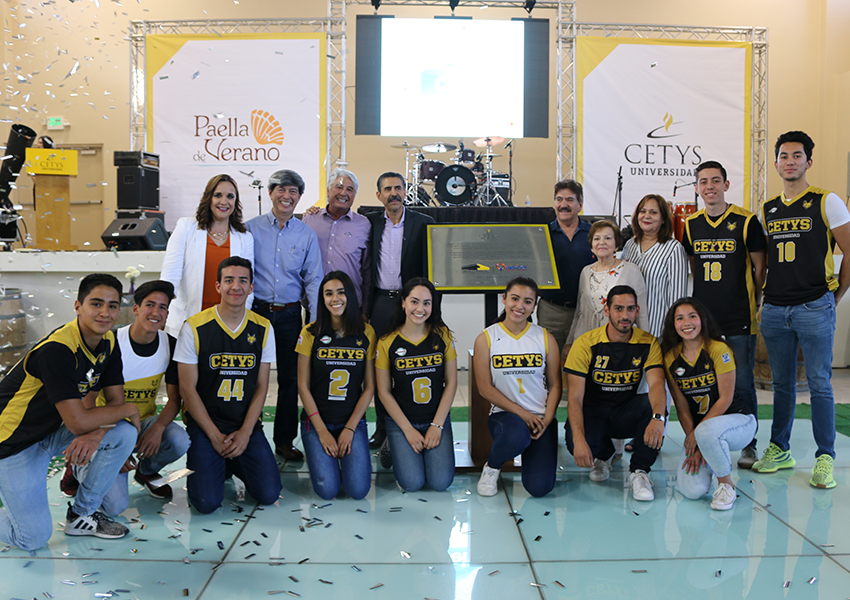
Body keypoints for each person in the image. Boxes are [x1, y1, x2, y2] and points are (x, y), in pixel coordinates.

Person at [0, 274, 139, 549]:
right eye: (96, 304)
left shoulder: (108, 341)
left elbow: (115, 404)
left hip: (51, 433)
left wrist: (98, 433)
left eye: (112, 305)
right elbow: (80, 422)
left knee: (124, 432)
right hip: (13, 444)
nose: (105, 312)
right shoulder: (57, 350)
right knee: (32, 538)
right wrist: (128, 410)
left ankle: (81, 515)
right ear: (78, 306)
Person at [752, 131, 850, 489]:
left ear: (809, 161)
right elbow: (763, 261)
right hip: (776, 308)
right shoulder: (768, 209)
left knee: (820, 384)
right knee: (782, 385)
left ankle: (825, 456)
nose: (789, 161)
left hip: (814, 305)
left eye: (797, 156)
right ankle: (780, 447)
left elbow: (849, 251)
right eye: (784, 156)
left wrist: (835, 295)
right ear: (776, 162)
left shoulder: (828, 201)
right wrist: (762, 299)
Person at [60, 280, 190, 509]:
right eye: (150, 305)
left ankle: (146, 472)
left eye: (162, 307)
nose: (156, 312)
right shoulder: (110, 342)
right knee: (114, 507)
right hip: (106, 428)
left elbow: (174, 400)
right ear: (136, 308)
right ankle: (78, 466)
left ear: (167, 313)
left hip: (143, 425)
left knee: (179, 440)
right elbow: (87, 403)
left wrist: (158, 428)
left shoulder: (169, 345)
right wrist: (117, 444)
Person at [175, 256, 281, 513]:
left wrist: (245, 432)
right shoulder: (194, 327)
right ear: (217, 286)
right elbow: (187, 390)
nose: (236, 286)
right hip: (205, 425)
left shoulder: (264, 327)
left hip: (244, 423)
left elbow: (261, 387)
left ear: (251, 287)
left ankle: (233, 462)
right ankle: (218, 462)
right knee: (206, 503)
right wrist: (213, 435)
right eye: (229, 280)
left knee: (268, 494)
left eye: (243, 281)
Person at [684, 161, 767, 468]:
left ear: (726, 185)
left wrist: (750, 297)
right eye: (703, 182)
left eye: (715, 181)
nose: (709, 187)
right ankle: (709, 438)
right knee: (708, 383)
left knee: (743, 383)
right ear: (697, 188)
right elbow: (695, 267)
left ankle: (750, 444)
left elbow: (760, 267)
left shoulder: (746, 221)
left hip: (738, 317)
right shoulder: (691, 224)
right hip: (705, 321)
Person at [246, 169, 322, 462]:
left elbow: (314, 279)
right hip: (256, 314)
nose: (287, 197)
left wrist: (315, 322)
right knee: (251, 376)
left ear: (300, 197)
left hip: (291, 315)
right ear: (270, 193)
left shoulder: (306, 234)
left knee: (291, 380)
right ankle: (250, 434)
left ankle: (284, 440)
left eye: (293, 192)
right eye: (281, 190)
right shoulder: (250, 230)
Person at [564, 285, 666, 501]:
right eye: (618, 309)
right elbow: (574, 397)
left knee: (653, 405)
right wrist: (580, 441)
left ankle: (640, 472)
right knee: (576, 443)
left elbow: (657, 384)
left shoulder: (648, 342)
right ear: (607, 310)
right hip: (593, 413)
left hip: (625, 412)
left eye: (630, 309)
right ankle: (605, 454)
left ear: (637, 311)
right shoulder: (585, 344)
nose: (625, 316)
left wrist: (659, 418)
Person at [661, 298, 757, 510]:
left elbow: (726, 398)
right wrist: (693, 443)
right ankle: (713, 460)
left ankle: (726, 485)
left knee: (706, 432)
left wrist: (699, 436)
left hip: (738, 421)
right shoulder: (670, 357)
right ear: (673, 324)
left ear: (702, 319)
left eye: (692, 316)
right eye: (680, 318)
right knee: (691, 491)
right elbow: (682, 405)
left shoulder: (718, 348)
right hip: (702, 431)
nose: (687, 322)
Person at [473, 277, 561, 498]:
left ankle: (534, 448)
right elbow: (484, 388)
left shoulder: (545, 337)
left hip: (540, 418)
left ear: (534, 305)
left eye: (528, 301)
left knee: (539, 488)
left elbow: (555, 385)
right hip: (505, 416)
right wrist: (522, 413)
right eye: (515, 298)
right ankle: (492, 468)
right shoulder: (486, 338)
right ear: (504, 299)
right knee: (516, 436)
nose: (520, 306)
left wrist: (546, 421)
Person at [366, 172, 435, 450]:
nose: (393, 193)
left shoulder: (424, 223)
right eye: (387, 189)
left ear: (405, 192)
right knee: (381, 368)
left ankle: (415, 424)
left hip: (413, 308)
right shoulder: (368, 223)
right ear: (378, 195)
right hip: (381, 303)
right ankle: (383, 429)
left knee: (412, 366)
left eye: (398, 188)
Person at [296, 271, 376, 500]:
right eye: (328, 294)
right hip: (317, 421)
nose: (335, 299)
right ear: (322, 299)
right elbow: (303, 386)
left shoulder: (366, 332)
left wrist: (350, 429)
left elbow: (369, 387)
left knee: (358, 490)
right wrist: (322, 432)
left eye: (341, 292)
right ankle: (320, 454)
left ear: (350, 295)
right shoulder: (310, 332)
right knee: (327, 490)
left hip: (351, 420)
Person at [375, 277, 457, 492]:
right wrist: (407, 430)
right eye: (414, 301)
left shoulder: (443, 336)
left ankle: (412, 448)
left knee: (440, 483)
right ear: (403, 302)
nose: (420, 308)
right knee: (412, 483)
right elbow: (383, 392)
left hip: (435, 419)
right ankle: (392, 444)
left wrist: (437, 426)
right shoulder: (386, 342)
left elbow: (451, 383)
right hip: (402, 421)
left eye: (427, 303)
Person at [621, 194, 688, 450]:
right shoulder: (629, 247)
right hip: (631, 329)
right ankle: (636, 432)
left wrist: (673, 334)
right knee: (633, 384)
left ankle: (653, 436)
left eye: (653, 212)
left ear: (663, 219)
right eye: (642, 211)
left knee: (657, 386)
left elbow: (678, 295)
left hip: (659, 330)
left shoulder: (673, 249)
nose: (647, 216)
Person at [161, 173, 254, 338]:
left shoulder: (244, 237)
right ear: (208, 198)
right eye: (218, 195)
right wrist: (162, 308)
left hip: (228, 323)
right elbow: (170, 275)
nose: (224, 201)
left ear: (236, 202)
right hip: (188, 320)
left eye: (230, 196)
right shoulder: (186, 227)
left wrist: (240, 320)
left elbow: (247, 285)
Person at [567, 219, 647, 349]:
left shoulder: (631, 270)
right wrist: (569, 342)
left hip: (618, 341)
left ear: (616, 245)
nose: (601, 242)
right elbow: (579, 312)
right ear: (592, 246)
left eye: (608, 238)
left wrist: (645, 344)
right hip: (586, 340)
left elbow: (641, 312)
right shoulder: (586, 271)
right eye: (597, 238)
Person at [537, 180, 595, 357]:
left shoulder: (593, 234)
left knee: (581, 361)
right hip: (550, 311)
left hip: (584, 310)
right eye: (559, 199)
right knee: (549, 361)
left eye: (569, 200)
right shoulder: (542, 233)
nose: (563, 205)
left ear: (580, 205)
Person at [302, 169, 372, 318]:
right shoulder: (310, 219)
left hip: (350, 304)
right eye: (339, 187)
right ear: (328, 191)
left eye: (350, 189)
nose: (343, 193)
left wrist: (365, 309)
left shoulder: (364, 224)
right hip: (316, 303)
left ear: (354, 195)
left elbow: (367, 270)